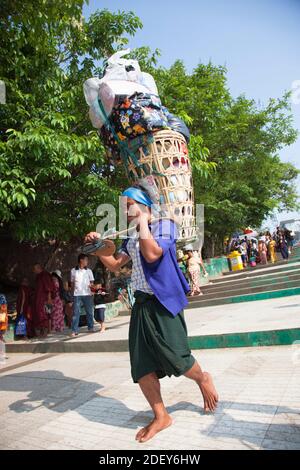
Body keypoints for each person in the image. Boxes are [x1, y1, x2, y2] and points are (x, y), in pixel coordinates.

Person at [84, 186, 218, 443]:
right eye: (123, 206)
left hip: (164, 301)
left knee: (177, 356)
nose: (125, 210)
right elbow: (114, 264)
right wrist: (97, 246)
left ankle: (202, 378)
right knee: (141, 364)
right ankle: (161, 416)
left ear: (144, 204)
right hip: (142, 304)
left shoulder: (165, 225)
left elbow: (153, 253)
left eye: (129, 204)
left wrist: (144, 224)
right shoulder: (130, 235)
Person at [70, 254, 95, 336]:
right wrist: (72, 295)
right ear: (81, 260)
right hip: (77, 295)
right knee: (76, 313)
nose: (87, 262)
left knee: (89, 311)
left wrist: (92, 289)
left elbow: (92, 283)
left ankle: (91, 327)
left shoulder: (89, 271)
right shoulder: (73, 270)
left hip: (87, 294)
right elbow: (72, 283)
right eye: (86, 260)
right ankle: (74, 330)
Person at [32, 263, 55, 337]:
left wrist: (49, 298)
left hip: (44, 299)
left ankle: (45, 332)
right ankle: (41, 332)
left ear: (39, 268)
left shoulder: (45, 275)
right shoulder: (38, 276)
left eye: (34, 269)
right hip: (38, 299)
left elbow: (49, 288)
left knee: (44, 314)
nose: (34, 271)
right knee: (39, 314)